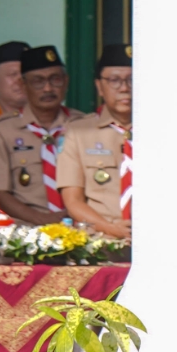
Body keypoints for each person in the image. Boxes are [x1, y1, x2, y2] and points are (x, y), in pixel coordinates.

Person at [0, 44, 86, 225]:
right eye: (38, 81)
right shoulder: (3, 130)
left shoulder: (82, 126)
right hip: (28, 232)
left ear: (66, 81)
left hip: (81, 227)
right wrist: (42, 219)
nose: (48, 89)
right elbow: (0, 192)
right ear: (23, 85)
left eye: (55, 79)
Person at [58, 44, 133, 240]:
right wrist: (111, 229)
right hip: (101, 243)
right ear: (99, 86)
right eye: (114, 81)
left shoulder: (164, 132)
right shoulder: (79, 132)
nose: (125, 88)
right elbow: (73, 201)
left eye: (132, 79)